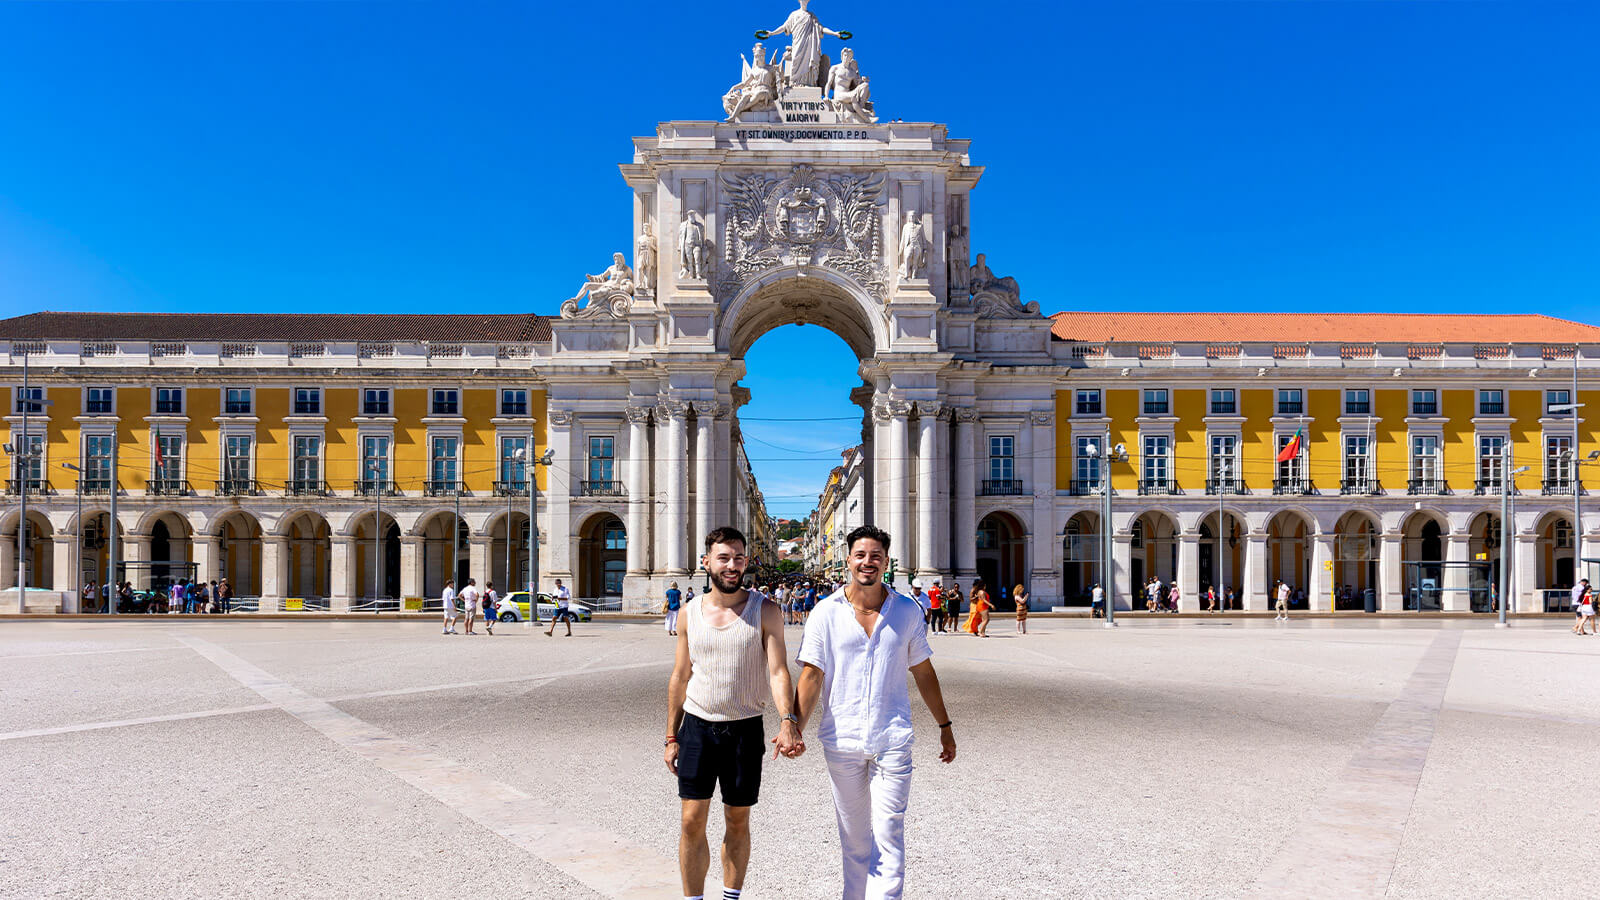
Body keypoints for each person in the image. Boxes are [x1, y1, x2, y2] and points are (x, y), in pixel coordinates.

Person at [794, 525, 955, 900]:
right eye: (861, 555)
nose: (868, 562)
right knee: (853, 838)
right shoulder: (824, 613)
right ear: (848, 559)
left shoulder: (906, 610)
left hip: (892, 739)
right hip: (842, 740)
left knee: (889, 834)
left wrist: (944, 726)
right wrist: (793, 727)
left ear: (886, 561)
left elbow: (924, 672)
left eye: (876, 556)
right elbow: (811, 674)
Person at [664, 527, 801, 900]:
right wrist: (671, 736)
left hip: (744, 730)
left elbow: (778, 671)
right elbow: (680, 676)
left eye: (738, 558)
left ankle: (730, 897)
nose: (732, 565)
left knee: (737, 820)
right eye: (724, 557)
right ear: (706, 562)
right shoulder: (688, 613)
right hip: (696, 727)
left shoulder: (765, 610)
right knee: (691, 822)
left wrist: (788, 721)